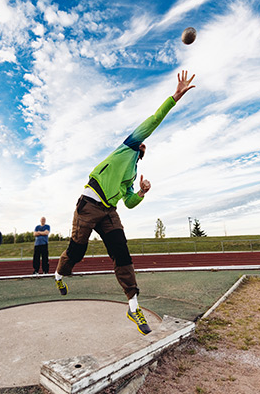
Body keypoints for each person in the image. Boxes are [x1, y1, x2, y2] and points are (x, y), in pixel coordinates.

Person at [53, 70, 195, 335]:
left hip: (108, 212)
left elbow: (128, 202)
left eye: (144, 147)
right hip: (89, 203)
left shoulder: (130, 175)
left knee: (122, 253)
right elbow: (153, 121)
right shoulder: (127, 146)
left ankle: (133, 305)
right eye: (143, 142)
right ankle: (60, 274)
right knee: (77, 252)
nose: (144, 145)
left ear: (142, 156)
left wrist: (140, 192)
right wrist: (174, 98)